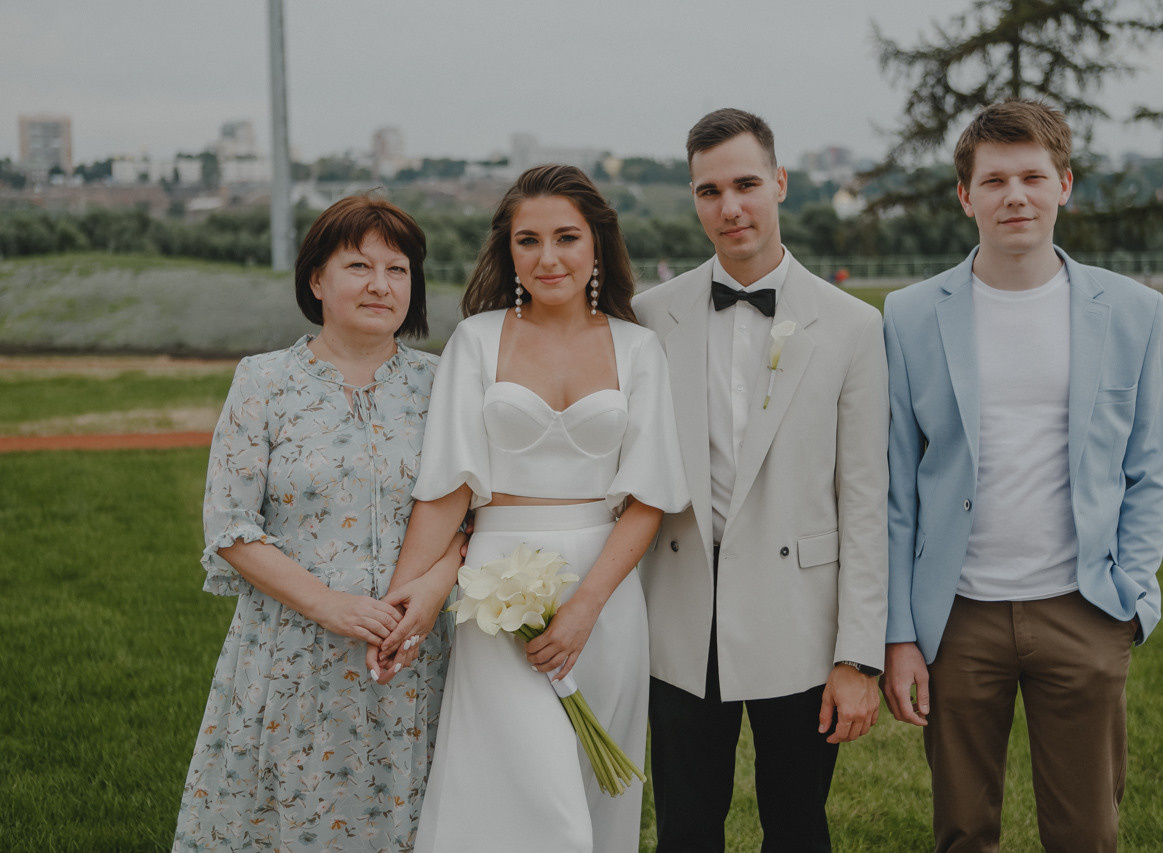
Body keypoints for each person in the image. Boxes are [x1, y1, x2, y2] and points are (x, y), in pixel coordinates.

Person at [880, 100, 1163, 852]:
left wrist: (1133, 595)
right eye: (994, 181)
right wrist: (899, 634)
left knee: (1087, 832)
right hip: (957, 615)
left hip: (1085, 607)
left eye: (1032, 177)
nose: (1015, 196)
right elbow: (895, 489)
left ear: (1064, 185)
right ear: (965, 196)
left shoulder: (1135, 311)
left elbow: (1151, 467)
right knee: (962, 830)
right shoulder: (908, 317)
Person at [372, 164, 689, 852]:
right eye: (528, 240)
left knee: (596, 802)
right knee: (537, 801)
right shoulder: (476, 340)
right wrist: (399, 607)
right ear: (508, 250)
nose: (548, 258)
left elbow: (648, 501)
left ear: (597, 243)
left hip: (605, 596)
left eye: (566, 237)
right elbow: (446, 490)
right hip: (496, 586)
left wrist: (584, 609)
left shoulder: (638, 348)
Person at [633, 108, 890, 851]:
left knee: (798, 828)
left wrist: (857, 657)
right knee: (684, 831)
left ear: (779, 182)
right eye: (709, 191)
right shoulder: (650, 316)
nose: (731, 207)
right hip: (681, 616)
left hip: (800, 619)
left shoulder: (852, 326)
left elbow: (865, 502)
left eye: (746, 184)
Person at [172, 196, 459, 850]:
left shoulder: (443, 384)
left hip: (411, 656)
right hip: (292, 654)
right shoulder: (263, 381)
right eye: (359, 266)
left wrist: (432, 589)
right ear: (317, 280)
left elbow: (471, 517)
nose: (381, 284)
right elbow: (230, 526)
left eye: (398, 269)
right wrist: (331, 605)